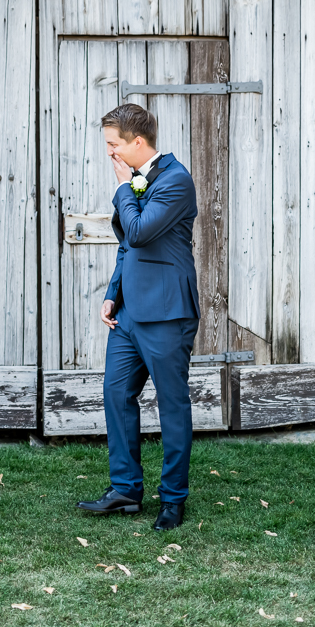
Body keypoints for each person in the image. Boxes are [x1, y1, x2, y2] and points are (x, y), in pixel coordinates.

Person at [76, 103, 200, 532]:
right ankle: (126, 489)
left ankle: (173, 499)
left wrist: (124, 188)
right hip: (128, 313)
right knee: (115, 394)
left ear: (138, 143)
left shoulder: (176, 181)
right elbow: (129, 245)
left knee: (171, 405)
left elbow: (142, 230)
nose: (109, 152)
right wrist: (113, 295)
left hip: (167, 312)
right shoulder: (136, 179)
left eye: (114, 144)